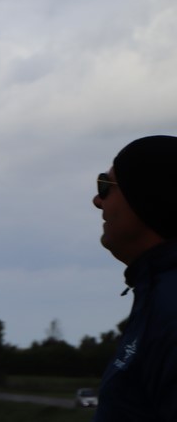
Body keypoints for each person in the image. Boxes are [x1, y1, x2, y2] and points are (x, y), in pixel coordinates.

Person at [92, 135, 177, 421]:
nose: (97, 201)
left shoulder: (171, 308)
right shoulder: (155, 292)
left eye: (106, 186)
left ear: (148, 198)